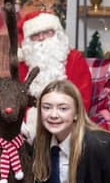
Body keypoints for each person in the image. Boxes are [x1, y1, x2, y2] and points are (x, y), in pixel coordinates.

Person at [33, 79, 110, 183]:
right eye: (47, 107)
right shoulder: (40, 143)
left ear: (76, 113)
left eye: (63, 109)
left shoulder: (101, 145)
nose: (53, 115)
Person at [17, 11, 92, 144]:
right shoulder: (22, 64)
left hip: (65, 121)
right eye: (35, 35)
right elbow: (14, 97)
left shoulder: (75, 59)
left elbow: (82, 99)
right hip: (29, 124)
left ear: (57, 33)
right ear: (28, 41)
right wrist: (18, 123)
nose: (41, 38)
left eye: (47, 32)